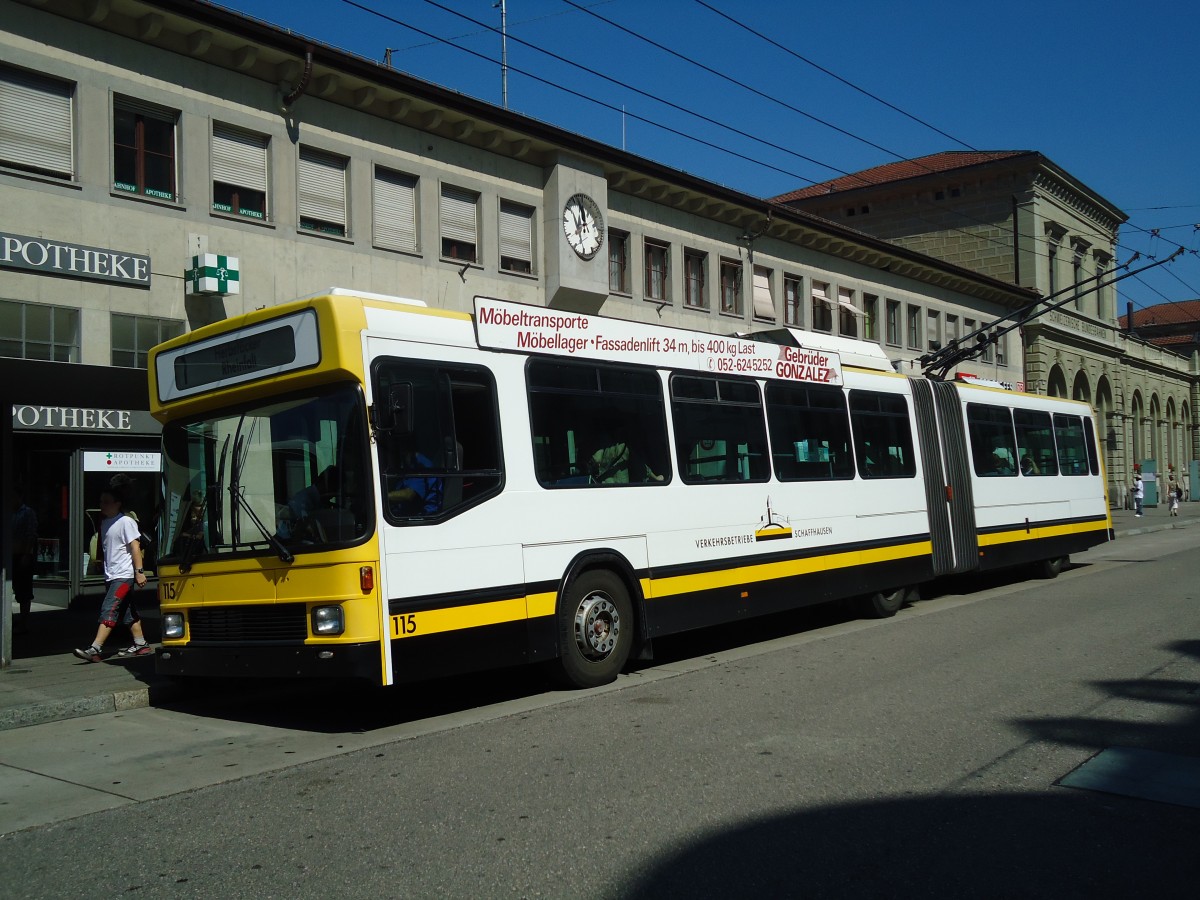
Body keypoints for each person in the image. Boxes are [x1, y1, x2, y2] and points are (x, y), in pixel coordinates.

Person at [73, 477, 151, 662]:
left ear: (117, 504)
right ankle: (141, 644)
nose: (102, 505)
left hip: (123, 577)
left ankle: (95, 648)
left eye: (106, 502)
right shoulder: (105, 522)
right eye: (101, 502)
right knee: (127, 612)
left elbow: (135, 547)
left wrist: (139, 572)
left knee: (109, 609)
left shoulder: (126, 522)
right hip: (112, 575)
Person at [10, 488, 38, 633]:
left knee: (24, 590)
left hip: (22, 555)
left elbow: (30, 534)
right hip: (10, 556)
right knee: (11, 588)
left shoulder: (27, 513)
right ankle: (12, 620)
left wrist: (26, 554)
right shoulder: (9, 513)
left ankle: (23, 622)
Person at [387, 449, 443, 515]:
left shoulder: (421, 465)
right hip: (407, 510)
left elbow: (409, 494)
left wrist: (384, 496)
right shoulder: (406, 468)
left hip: (426, 515)